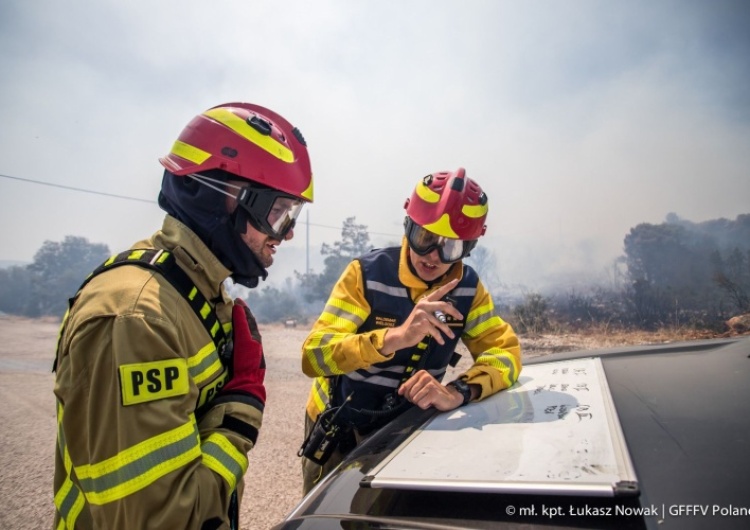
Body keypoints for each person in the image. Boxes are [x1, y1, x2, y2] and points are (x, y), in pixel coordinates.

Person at [52, 102, 314, 529]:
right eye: (278, 213)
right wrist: (240, 405)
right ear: (222, 199)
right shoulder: (137, 318)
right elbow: (163, 519)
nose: (284, 233)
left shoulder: (192, 295)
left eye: (292, 216)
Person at [299, 167, 521, 493]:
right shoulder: (366, 274)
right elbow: (313, 356)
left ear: (469, 248)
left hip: (404, 426)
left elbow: (505, 352)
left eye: (450, 247)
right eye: (425, 238)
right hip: (340, 425)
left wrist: (459, 391)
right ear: (408, 227)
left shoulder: (468, 291)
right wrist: (395, 338)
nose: (433, 256)